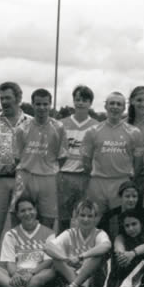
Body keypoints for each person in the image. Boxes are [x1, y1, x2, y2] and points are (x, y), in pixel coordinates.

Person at [0, 81, 31, 274]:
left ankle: (21, 270)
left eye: (8, 98)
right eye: (1, 98)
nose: (4, 102)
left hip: (22, 179)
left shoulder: (30, 122)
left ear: (18, 98)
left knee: (20, 227)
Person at [82, 92, 144, 216]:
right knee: (96, 219)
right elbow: (86, 161)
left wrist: (130, 180)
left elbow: (138, 162)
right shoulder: (92, 131)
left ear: (124, 108)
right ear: (105, 106)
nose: (115, 107)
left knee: (120, 221)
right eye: (112, 103)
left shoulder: (134, 132)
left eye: (119, 104)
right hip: (98, 182)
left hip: (121, 182)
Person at [13, 88, 68, 229]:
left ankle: (45, 251)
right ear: (32, 104)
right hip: (26, 176)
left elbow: (62, 157)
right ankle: (20, 250)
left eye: (45, 104)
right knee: (19, 218)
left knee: (48, 221)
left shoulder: (59, 128)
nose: (42, 108)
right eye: (38, 104)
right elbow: (17, 158)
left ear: (50, 104)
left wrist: (49, 168)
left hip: (48, 178)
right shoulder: (22, 128)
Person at [0, 196, 56, 287]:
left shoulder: (49, 233)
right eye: (23, 211)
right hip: (17, 275)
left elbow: (48, 261)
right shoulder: (11, 235)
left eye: (30, 209)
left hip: (37, 274)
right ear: (17, 214)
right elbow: (10, 262)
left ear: (36, 211)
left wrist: (31, 273)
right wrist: (15, 274)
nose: (27, 213)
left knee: (52, 271)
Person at [46, 200, 112, 287]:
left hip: (91, 276)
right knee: (56, 258)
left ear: (96, 219)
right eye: (82, 215)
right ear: (76, 217)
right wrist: (66, 259)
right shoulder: (70, 233)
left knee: (97, 255)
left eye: (90, 216)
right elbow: (47, 247)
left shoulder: (100, 233)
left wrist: (80, 257)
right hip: (71, 273)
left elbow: (107, 245)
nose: (85, 219)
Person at [58, 85, 98, 232]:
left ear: (90, 103)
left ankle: (82, 249)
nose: (81, 103)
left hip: (85, 177)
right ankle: (60, 250)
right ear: (74, 101)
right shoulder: (61, 124)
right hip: (64, 176)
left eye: (85, 100)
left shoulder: (96, 126)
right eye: (78, 99)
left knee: (85, 217)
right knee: (63, 218)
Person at [127, 85, 144, 204]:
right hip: (127, 178)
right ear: (132, 101)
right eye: (139, 100)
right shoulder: (123, 125)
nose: (143, 104)